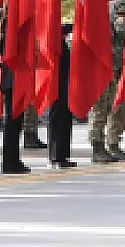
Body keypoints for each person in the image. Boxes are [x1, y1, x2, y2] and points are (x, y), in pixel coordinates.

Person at [87, 0, 125, 162]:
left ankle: (112, 144)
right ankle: (97, 146)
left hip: (114, 70)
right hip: (101, 70)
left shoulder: (114, 20)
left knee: (112, 108)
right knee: (100, 108)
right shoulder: (108, 20)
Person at [47, 23, 78, 168]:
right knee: (58, 117)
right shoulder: (51, 35)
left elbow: (63, 28)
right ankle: (56, 155)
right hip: (56, 81)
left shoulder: (60, 37)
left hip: (64, 81)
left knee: (65, 117)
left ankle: (62, 154)